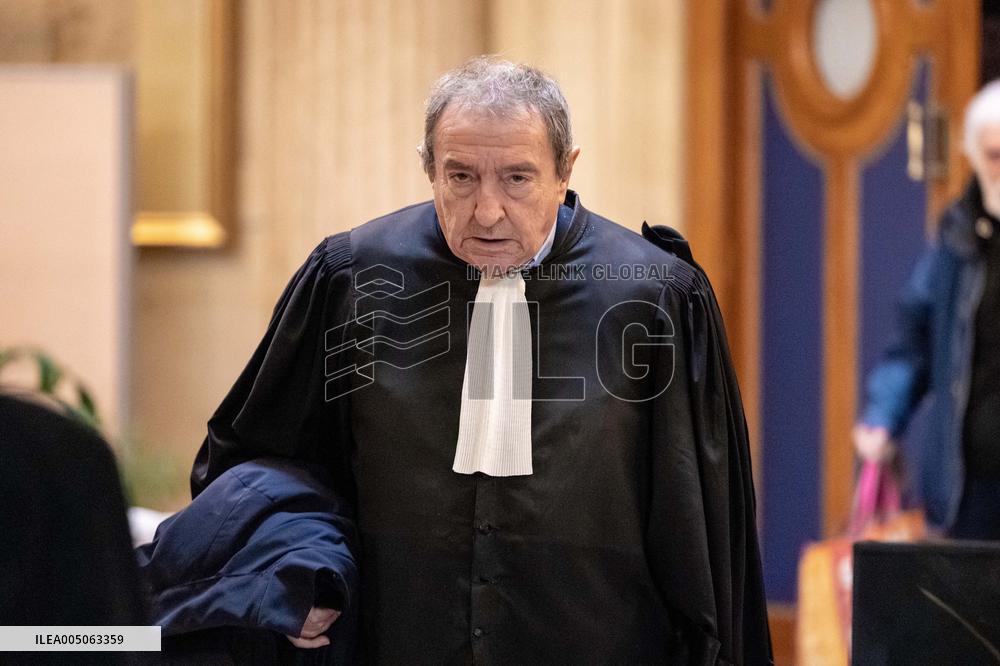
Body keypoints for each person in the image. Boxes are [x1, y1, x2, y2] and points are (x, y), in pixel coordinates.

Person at [190, 56, 771, 664]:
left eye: (517, 178)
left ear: (565, 169)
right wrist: (288, 573)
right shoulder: (353, 282)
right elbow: (253, 468)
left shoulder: (656, 300)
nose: (487, 211)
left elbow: (706, 536)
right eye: (461, 177)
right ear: (428, 169)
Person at [854, 80, 1000, 539]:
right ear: (975, 158)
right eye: (995, 155)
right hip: (968, 489)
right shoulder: (957, 240)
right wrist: (883, 415)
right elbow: (913, 341)